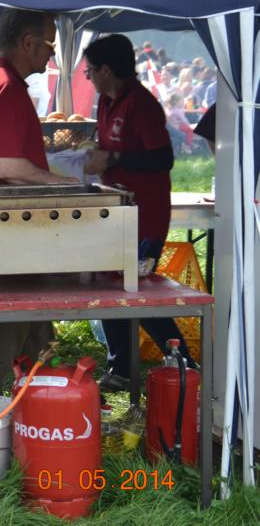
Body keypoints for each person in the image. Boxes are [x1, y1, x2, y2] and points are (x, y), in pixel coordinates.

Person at [0, 8, 77, 395]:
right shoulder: (6, 87)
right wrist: (61, 185)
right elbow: (5, 165)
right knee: (0, 326)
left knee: (34, 319)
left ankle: (46, 401)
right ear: (28, 42)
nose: (52, 54)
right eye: (50, 44)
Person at [82, 33, 197, 392]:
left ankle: (185, 365)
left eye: (89, 71)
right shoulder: (105, 102)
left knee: (139, 294)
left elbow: (163, 158)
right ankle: (121, 367)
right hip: (115, 212)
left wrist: (113, 158)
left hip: (145, 217)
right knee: (109, 285)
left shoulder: (141, 103)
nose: (88, 77)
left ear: (106, 70)